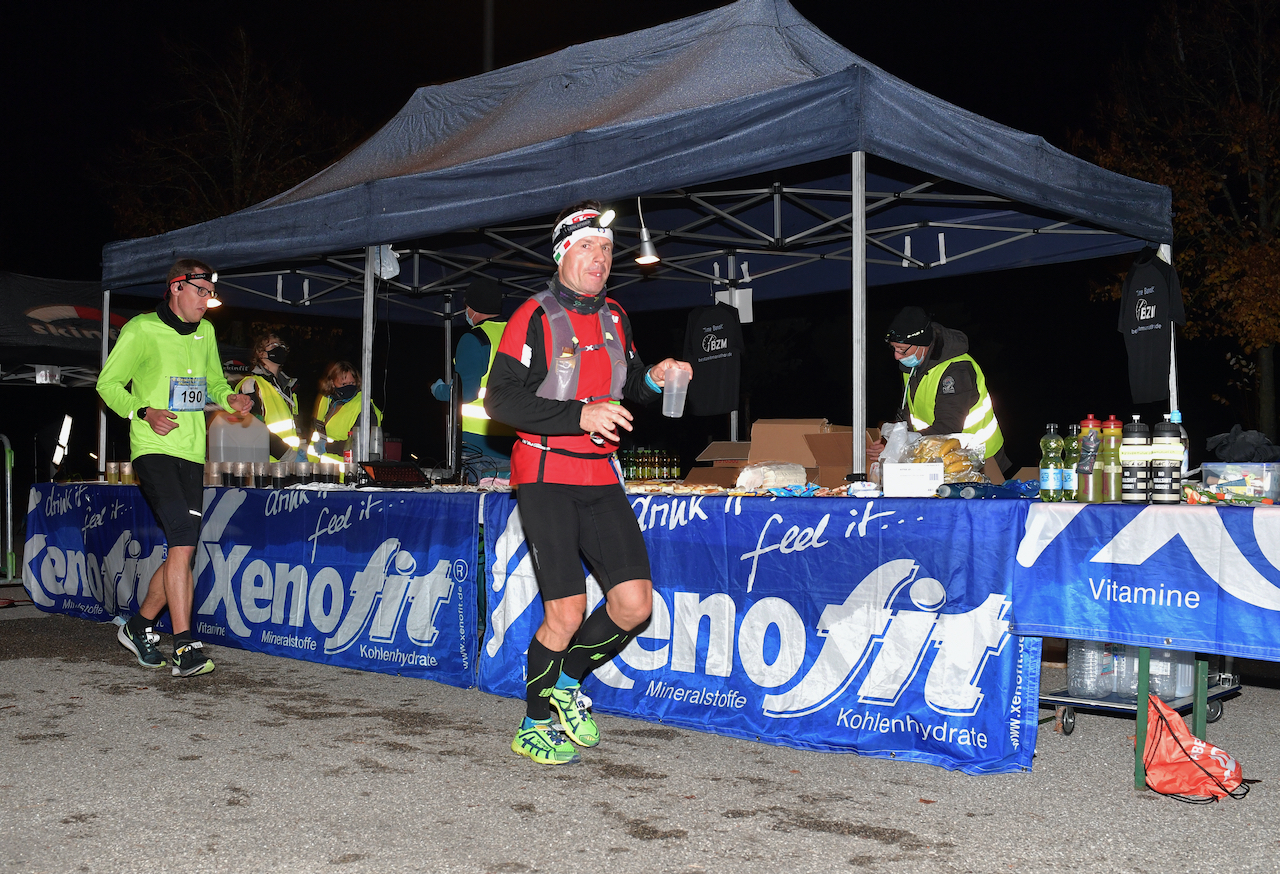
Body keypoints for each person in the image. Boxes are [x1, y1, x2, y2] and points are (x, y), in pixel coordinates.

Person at [485, 201, 692, 765]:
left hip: (600, 474)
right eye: (588, 247)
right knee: (567, 610)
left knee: (633, 605)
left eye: (606, 249)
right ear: (563, 255)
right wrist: (580, 414)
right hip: (545, 473)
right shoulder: (533, 314)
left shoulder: (617, 316)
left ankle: (569, 680)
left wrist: (657, 376)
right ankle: (532, 722)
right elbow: (498, 400)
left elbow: (628, 396)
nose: (600, 258)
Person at [96, 258, 252, 677]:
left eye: (210, 294)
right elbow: (107, 385)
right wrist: (143, 410)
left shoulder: (206, 331)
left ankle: (139, 625)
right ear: (176, 287)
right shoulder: (141, 329)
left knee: (182, 548)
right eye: (201, 292)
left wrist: (230, 397)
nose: (207, 300)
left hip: (191, 452)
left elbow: (214, 383)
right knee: (183, 539)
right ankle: (186, 646)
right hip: (152, 447)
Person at [870, 305, 1010, 481]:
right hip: (938, 455)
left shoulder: (956, 371)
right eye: (894, 349)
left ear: (923, 343)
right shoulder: (912, 366)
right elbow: (907, 414)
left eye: (902, 349)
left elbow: (948, 427)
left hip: (981, 460)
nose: (897, 356)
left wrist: (901, 445)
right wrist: (889, 441)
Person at [430, 277, 517, 472]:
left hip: (478, 448)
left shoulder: (474, 339)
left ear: (472, 308)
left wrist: (439, 390)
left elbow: (466, 392)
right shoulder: (518, 335)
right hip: (514, 443)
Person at [235, 331, 302, 462]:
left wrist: (299, 450)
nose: (280, 348)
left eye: (282, 345)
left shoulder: (288, 388)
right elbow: (252, 426)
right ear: (261, 353)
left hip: (289, 465)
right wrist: (286, 454)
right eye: (273, 345)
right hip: (264, 465)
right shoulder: (252, 384)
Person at [307, 360, 383, 465]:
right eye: (343, 384)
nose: (348, 387)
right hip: (320, 471)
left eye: (352, 383)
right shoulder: (326, 401)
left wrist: (327, 446)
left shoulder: (364, 408)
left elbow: (360, 445)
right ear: (332, 383)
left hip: (347, 474)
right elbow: (315, 432)